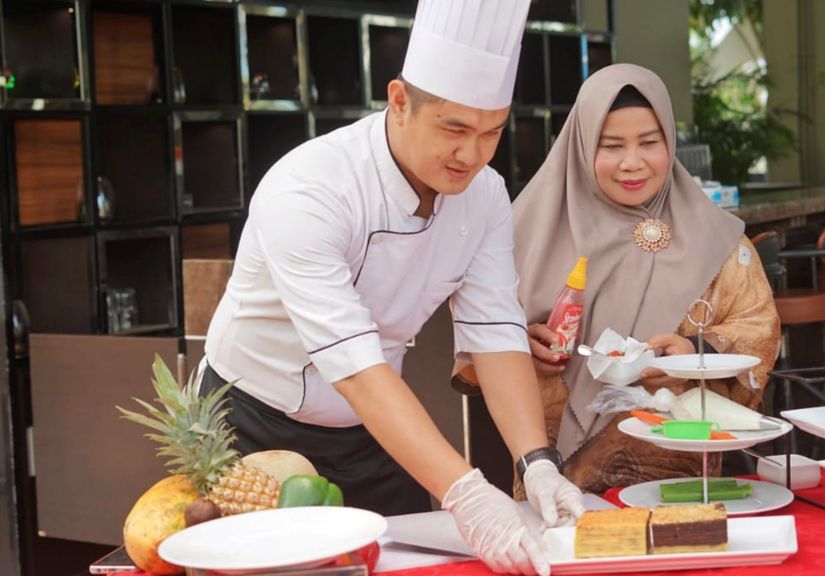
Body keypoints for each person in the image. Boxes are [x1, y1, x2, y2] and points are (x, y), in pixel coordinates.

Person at [200, 1, 582, 573]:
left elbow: (495, 329)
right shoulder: (308, 190)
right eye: (454, 129)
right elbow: (353, 364)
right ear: (399, 101)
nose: (471, 155)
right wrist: (470, 495)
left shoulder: (486, 195)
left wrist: (538, 462)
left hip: (374, 429)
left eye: (492, 133)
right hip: (254, 426)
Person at [512, 64, 781, 494]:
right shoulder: (528, 231)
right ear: (581, 148)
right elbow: (481, 334)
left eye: (649, 143)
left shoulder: (719, 240)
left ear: (670, 143)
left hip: (676, 470)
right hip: (550, 470)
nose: (632, 162)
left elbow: (757, 329)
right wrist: (520, 344)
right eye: (612, 145)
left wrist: (694, 352)